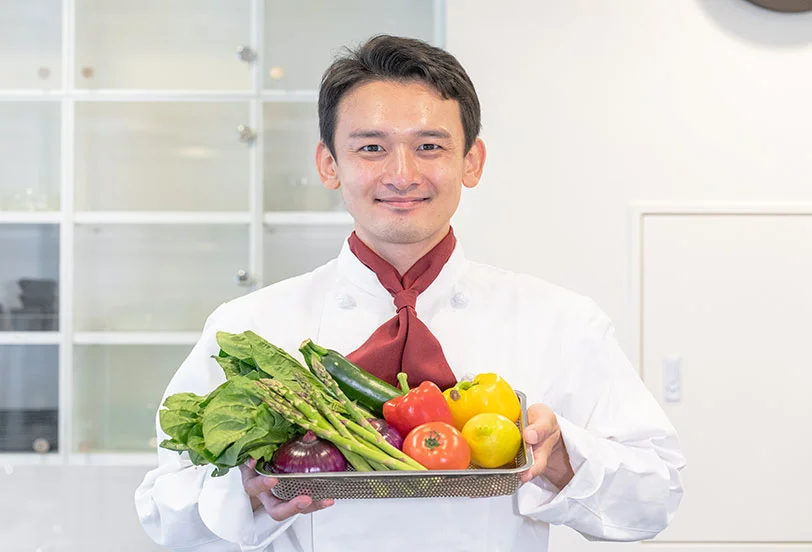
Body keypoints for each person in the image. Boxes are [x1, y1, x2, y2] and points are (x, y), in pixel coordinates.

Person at [135, 35, 684, 551]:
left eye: (429, 146)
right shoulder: (252, 326)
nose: (402, 174)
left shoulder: (560, 321)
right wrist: (245, 495)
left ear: (472, 162)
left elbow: (656, 498)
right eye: (371, 147)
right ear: (330, 163)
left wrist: (563, 455)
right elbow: (163, 511)